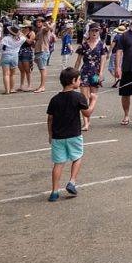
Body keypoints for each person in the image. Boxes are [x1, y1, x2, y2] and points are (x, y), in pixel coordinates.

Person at [46, 67, 98, 202]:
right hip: (74, 135)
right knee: (78, 157)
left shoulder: (54, 99)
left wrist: (50, 134)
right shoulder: (78, 97)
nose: (80, 82)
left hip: (58, 137)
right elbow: (87, 113)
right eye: (79, 79)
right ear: (73, 81)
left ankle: (54, 191)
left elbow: (50, 118)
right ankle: (72, 181)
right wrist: (93, 100)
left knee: (58, 163)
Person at [74, 24, 108, 132]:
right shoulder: (83, 45)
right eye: (93, 31)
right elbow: (78, 60)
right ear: (89, 32)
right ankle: (86, 122)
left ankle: (88, 117)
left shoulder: (102, 45)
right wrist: (75, 73)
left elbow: (103, 60)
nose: (94, 33)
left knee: (92, 96)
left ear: (99, 32)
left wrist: (101, 73)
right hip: (84, 72)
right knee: (84, 98)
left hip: (95, 73)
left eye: (96, 31)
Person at [0, 23, 26, 94]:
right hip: (15, 56)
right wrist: (20, 33)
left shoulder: (6, 39)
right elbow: (23, 36)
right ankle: (12, 89)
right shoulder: (22, 39)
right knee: (13, 74)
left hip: (6, 55)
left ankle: (7, 90)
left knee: (6, 74)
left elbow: (0, 47)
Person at [34, 22, 54, 93]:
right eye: (37, 22)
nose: (38, 23)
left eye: (39, 22)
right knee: (41, 70)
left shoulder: (43, 29)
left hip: (43, 51)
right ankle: (41, 86)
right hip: (39, 51)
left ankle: (42, 86)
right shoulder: (39, 30)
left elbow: (48, 28)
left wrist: (47, 24)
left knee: (43, 70)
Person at [17, 23, 35, 92]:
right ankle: (21, 85)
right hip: (19, 51)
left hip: (27, 52)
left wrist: (24, 36)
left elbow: (30, 42)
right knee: (21, 69)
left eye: (25, 27)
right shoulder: (20, 32)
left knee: (27, 69)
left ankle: (29, 85)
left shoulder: (31, 33)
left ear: (28, 27)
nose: (23, 28)